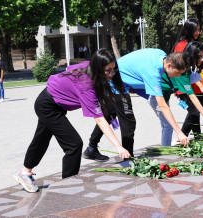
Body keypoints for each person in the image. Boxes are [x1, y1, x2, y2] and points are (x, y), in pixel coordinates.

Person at [14, 49, 131, 193]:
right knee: (74, 144)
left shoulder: (90, 66)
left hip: (52, 102)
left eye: (114, 70)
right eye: (108, 70)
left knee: (41, 139)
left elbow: (69, 70)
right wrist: (118, 147)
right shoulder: (86, 84)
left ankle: (25, 172)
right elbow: (100, 120)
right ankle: (68, 187)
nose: (111, 74)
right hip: (47, 105)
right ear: (97, 68)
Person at [83, 48, 191, 160]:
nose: (178, 76)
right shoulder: (153, 72)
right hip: (116, 81)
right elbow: (163, 105)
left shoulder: (162, 55)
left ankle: (91, 147)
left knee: (109, 114)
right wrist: (179, 132)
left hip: (124, 80)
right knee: (128, 121)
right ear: (169, 65)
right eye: (178, 73)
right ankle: (128, 159)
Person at [153, 41, 203, 145]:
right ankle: (171, 146)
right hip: (156, 95)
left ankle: (182, 140)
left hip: (165, 95)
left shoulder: (186, 67)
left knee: (168, 125)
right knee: (168, 125)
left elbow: (192, 78)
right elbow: (192, 96)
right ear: (192, 55)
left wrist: (201, 86)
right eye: (199, 57)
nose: (202, 59)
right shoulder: (182, 69)